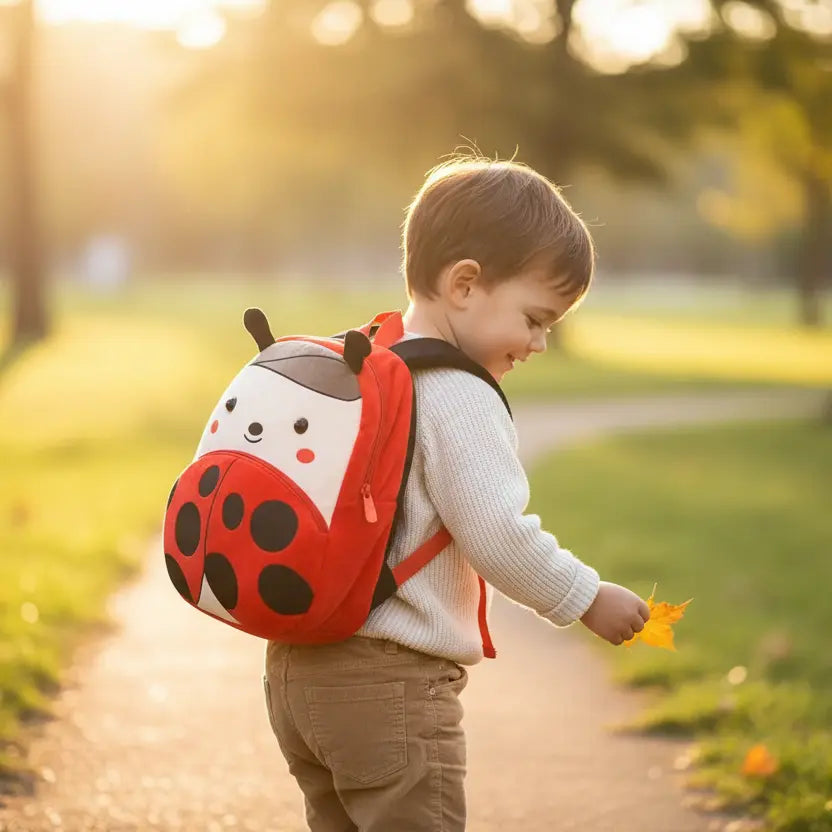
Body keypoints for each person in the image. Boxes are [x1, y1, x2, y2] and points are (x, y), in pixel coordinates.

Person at [263, 153, 651, 831]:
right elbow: (498, 535)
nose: (538, 344)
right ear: (465, 284)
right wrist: (586, 597)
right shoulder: (459, 393)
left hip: (298, 675)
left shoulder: (368, 364)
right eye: (535, 319)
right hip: (390, 684)